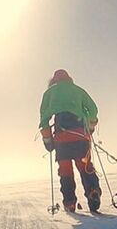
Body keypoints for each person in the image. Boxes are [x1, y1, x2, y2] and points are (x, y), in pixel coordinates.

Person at [39, 69, 102, 213]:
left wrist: (48, 140)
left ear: (54, 81)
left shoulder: (49, 93)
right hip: (80, 136)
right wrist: (90, 126)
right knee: (85, 166)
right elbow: (93, 110)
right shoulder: (78, 91)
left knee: (65, 171)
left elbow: (44, 119)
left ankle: (69, 203)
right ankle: (93, 190)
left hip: (62, 139)